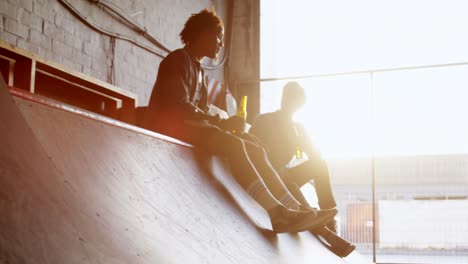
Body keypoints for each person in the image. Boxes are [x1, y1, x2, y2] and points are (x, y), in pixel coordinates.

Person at [144, 9, 336, 233]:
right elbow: (178, 106)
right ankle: (276, 213)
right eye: (218, 37)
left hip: (189, 128)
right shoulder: (177, 60)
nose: (220, 44)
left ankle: (294, 209)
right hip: (168, 130)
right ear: (203, 33)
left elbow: (202, 113)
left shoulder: (199, 72)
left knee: (254, 147)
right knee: (234, 145)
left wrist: (232, 127)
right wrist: (221, 123)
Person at [249, 82, 355, 256]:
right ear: (284, 99)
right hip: (266, 173)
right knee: (290, 184)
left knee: (319, 165)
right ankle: (320, 226)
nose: (292, 104)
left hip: (284, 173)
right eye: (291, 99)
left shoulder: (298, 128)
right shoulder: (264, 120)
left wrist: (310, 147)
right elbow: (251, 148)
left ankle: (328, 217)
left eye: (297, 102)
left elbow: (314, 155)